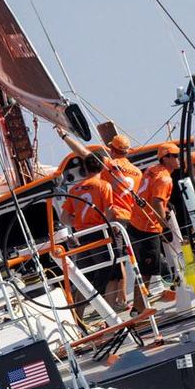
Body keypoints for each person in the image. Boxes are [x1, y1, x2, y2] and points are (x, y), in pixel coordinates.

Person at [55, 125, 142, 309]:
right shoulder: (138, 172)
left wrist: (64, 136)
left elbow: (83, 152)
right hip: (128, 218)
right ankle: (121, 299)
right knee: (119, 260)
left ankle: (116, 301)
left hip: (110, 221)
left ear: (112, 150)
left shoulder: (108, 167)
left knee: (112, 265)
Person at [60, 155, 115, 320]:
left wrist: (78, 222)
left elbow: (64, 218)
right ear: (102, 167)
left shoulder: (74, 189)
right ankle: (109, 317)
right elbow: (110, 212)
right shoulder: (104, 186)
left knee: (85, 279)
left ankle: (78, 320)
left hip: (82, 237)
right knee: (111, 274)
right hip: (100, 234)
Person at [128, 142, 180, 314]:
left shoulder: (152, 169)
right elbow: (156, 201)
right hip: (147, 226)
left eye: (178, 155)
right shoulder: (165, 178)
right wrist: (164, 225)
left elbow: (151, 194)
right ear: (164, 158)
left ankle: (143, 303)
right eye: (174, 155)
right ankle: (138, 309)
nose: (177, 158)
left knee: (148, 266)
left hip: (135, 221)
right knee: (147, 270)